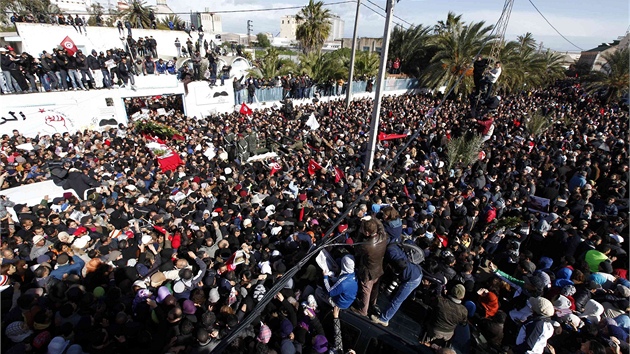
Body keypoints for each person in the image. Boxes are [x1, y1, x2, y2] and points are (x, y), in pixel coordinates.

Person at [371, 243, 423, 326]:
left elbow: (398, 262)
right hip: (415, 271)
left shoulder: (391, 253)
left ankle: (384, 319)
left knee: (397, 300)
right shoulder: (395, 247)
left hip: (412, 279)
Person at [352, 217, 388, 317]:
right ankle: (373, 304)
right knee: (374, 289)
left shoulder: (366, 245)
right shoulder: (383, 236)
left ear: (367, 233)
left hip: (368, 272)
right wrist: (372, 218)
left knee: (366, 291)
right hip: (378, 269)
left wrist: (359, 232)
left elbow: (356, 247)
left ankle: (363, 311)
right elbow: (380, 225)